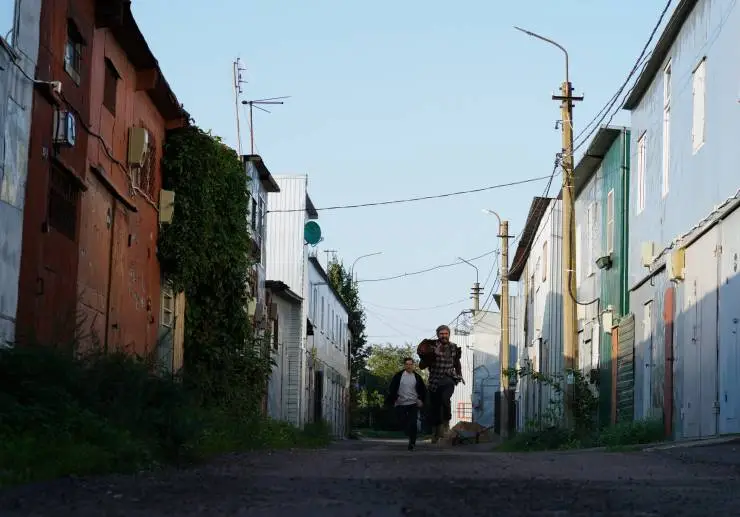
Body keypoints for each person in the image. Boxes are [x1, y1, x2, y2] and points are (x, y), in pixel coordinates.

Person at [417, 324, 462, 444]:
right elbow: (422, 366)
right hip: (434, 380)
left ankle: (446, 423)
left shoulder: (453, 347)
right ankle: (436, 431)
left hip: (448, 378)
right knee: (435, 407)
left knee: (445, 400)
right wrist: (433, 354)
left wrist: (459, 374)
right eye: (441, 334)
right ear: (437, 335)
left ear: (449, 335)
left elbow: (457, 363)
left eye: (446, 334)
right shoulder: (430, 347)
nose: (444, 336)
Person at [386, 357, 427, 451]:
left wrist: (420, 400)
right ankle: (408, 433)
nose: (409, 366)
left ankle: (412, 442)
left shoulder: (417, 377)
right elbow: (392, 388)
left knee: (413, 423)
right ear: (404, 365)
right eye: (407, 364)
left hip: (413, 403)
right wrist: (394, 399)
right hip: (401, 403)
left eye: (411, 364)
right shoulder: (398, 376)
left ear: (413, 366)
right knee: (403, 422)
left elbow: (423, 390)